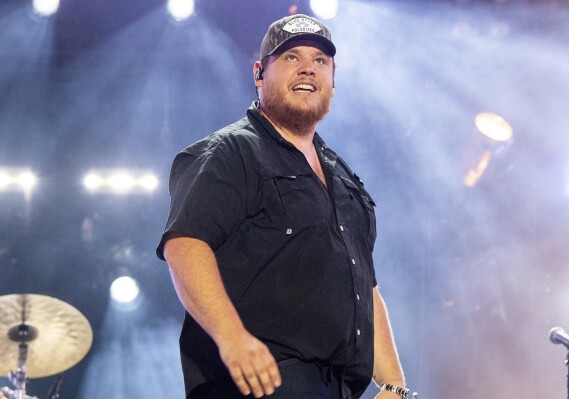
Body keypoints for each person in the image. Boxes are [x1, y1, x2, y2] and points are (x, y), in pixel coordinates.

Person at [157, 13, 407, 399]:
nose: (308, 68)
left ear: (333, 82)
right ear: (259, 73)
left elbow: (363, 284)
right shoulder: (228, 152)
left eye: (320, 61)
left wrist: (394, 386)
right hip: (261, 382)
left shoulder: (342, 177)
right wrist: (232, 337)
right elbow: (186, 245)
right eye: (291, 57)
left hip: (337, 389)